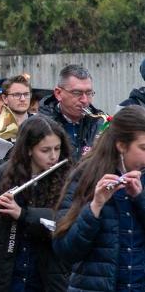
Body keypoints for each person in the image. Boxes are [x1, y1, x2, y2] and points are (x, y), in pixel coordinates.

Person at [0, 116, 71, 291]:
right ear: (29, 149)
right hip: (2, 280)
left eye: (57, 149)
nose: (54, 156)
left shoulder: (68, 181)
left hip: (46, 280)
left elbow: (67, 222)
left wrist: (23, 214)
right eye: (45, 150)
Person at [53, 105, 145, 291]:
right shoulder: (86, 175)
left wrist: (140, 199)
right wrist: (95, 206)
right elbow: (66, 250)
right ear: (121, 145)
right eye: (143, 147)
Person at [39, 64, 105, 161]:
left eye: (89, 93)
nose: (85, 100)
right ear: (58, 93)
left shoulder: (101, 123)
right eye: (77, 93)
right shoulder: (39, 125)